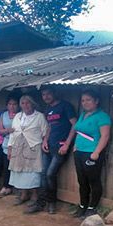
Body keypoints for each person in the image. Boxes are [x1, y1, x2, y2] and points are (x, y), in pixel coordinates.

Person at [28, 86, 77, 214]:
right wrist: (45, 140)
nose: (46, 97)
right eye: (44, 95)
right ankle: (42, 202)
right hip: (48, 146)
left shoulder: (66, 106)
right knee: (44, 174)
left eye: (48, 94)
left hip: (60, 147)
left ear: (55, 93)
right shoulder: (48, 109)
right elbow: (49, 126)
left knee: (50, 174)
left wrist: (67, 144)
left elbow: (74, 125)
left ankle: (52, 203)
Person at [72, 90, 111, 219]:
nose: (85, 103)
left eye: (88, 100)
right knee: (82, 181)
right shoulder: (83, 115)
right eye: (83, 100)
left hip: (92, 153)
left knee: (93, 180)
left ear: (96, 101)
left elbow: (105, 136)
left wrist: (96, 152)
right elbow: (78, 131)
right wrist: (75, 147)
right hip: (79, 152)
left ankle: (91, 207)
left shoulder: (102, 116)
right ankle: (83, 205)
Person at [7, 95, 49, 211]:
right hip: (18, 147)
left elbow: (45, 131)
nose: (25, 105)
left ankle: (35, 196)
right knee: (19, 171)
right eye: (23, 103)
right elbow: (13, 133)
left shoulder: (39, 116)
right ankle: (24, 195)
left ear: (33, 104)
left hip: (33, 147)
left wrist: (44, 141)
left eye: (28, 103)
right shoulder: (17, 116)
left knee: (33, 172)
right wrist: (10, 148)